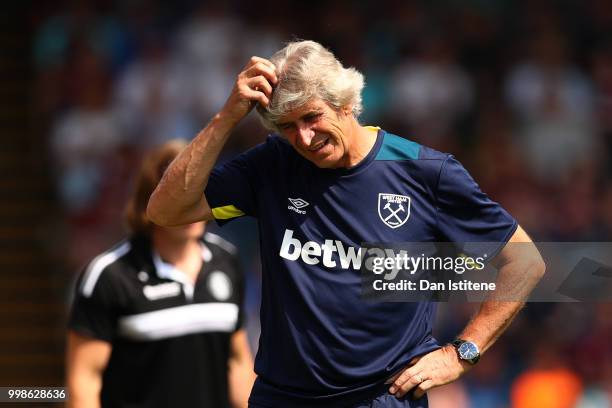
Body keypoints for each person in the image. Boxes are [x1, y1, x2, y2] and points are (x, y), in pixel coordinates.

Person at [147, 41, 546, 407]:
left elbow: (524, 262)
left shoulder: (425, 173)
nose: (303, 138)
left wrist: (463, 352)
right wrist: (226, 117)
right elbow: (167, 212)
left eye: (311, 117)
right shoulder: (271, 165)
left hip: (384, 397)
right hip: (281, 398)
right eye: (287, 126)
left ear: (344, 102)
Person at [66, 139, 256, 408]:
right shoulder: (110, 275)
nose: (188, 207)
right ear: (150, 200)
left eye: (198, 192)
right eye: (178, 196)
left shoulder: (227, 261)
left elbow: (238, 362)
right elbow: (84, 381)